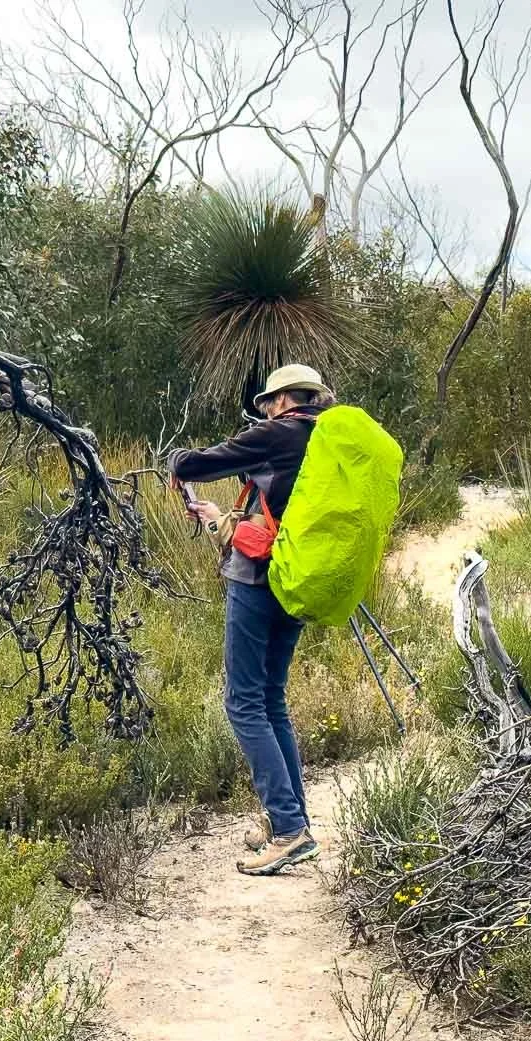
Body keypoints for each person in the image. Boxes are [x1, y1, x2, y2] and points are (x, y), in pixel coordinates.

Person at [168, 364, 333, 876]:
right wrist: (222, 519)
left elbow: (200, 462)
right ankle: (292, 820)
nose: (262, 411)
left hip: (256, 578)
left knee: (243, 702)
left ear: (284, 399)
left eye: (267, 402)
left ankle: (287, 828)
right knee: (271, 699)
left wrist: (176, 460)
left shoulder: (279, 432)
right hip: (295, 578)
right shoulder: (324, 439)